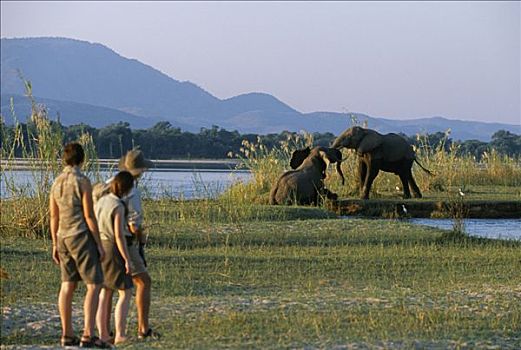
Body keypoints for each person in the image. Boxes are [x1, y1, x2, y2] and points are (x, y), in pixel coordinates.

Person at [49, 142, 108, 348]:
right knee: (94, 284)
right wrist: (99, 243)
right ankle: (87, 333)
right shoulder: (82, 181)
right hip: (80, 235)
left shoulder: (56, 182)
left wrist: (54, 243)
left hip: (62, 236)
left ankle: (67, 333)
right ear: (82, 159)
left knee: (67, 284)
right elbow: (89, 215)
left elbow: (53, 216)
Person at [111, 149, 160, 339]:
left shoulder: (110, 184)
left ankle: (104, 331)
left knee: (107, 288)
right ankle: (142, 328)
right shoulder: (133, 190)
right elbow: (133, 224)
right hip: (125, 241)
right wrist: (141, 238)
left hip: (105, 239)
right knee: (143, 281)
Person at [95, 171, 134, 345]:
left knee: (105, 290)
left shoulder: (101, 200)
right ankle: (120, 333)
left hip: (99, 245)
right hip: (112, 247)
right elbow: (118, 235)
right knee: (125, 291)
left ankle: (103, 333)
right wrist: (127, 258)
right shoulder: (117, 205)